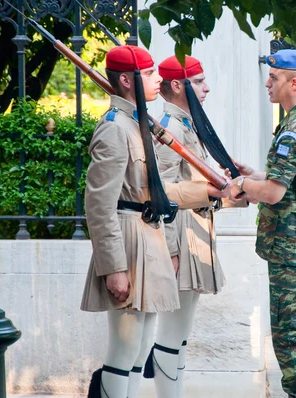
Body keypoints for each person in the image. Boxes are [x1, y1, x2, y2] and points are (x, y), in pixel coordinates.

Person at [229, 49, 296, 398]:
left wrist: (244, 186)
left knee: (292, 336)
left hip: (293, 247)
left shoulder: (295, 128)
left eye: (273, 78)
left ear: (293, 82)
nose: (266, 83)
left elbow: (273, 193)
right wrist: (254, 175)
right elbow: (294, 181)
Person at [80, 45, 181, 398]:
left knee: (140, 348)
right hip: (126, 241)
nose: (159, 79)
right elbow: (99, 204)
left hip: (148, 235)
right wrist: (114, 268)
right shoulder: (113, 128)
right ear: (126, 80)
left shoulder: (138, 123)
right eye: (151, 73)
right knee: (123, 350)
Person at [142, 54, 240, 397]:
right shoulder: (170, 128)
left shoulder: (186, 125)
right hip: (180, 239)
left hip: (193, 235)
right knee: (173, 333)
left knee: (180, 333)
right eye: (199, 82)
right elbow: (161, 196)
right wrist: (169, 251)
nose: (207, 88)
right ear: (177, 86)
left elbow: (197, 187)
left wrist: (231, 194)